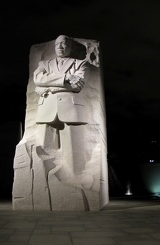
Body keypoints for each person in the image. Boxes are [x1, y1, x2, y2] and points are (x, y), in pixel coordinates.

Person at [33, 35, 91, 190]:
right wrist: (66, 77)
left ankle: (75, 181)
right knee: (44, 149)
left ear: (70, 48)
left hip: (71, 108)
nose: (60, 47)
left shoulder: (81, 63)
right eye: (57, 44)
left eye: (64, 44)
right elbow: (38, 79)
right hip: (47, 108)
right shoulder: (44, 63)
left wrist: (49, 87)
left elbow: (77, 86)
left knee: (73, 150)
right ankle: (44, 185)